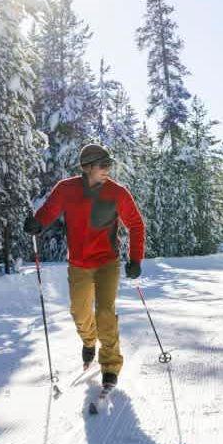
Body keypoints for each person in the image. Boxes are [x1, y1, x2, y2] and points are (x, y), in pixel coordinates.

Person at [24, 144, 146, 391]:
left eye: (109, 164)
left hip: (106, 263)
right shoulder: (66, 189)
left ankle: (110, 366)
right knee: (79, 313)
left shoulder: (117, 192)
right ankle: (89, 341)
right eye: (103, 165)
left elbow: (136, 224)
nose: (107, 170)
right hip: (78, 263)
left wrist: (135, 260)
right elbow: (49, 211)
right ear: (87, 167)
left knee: (105, 313)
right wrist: (37, 223)